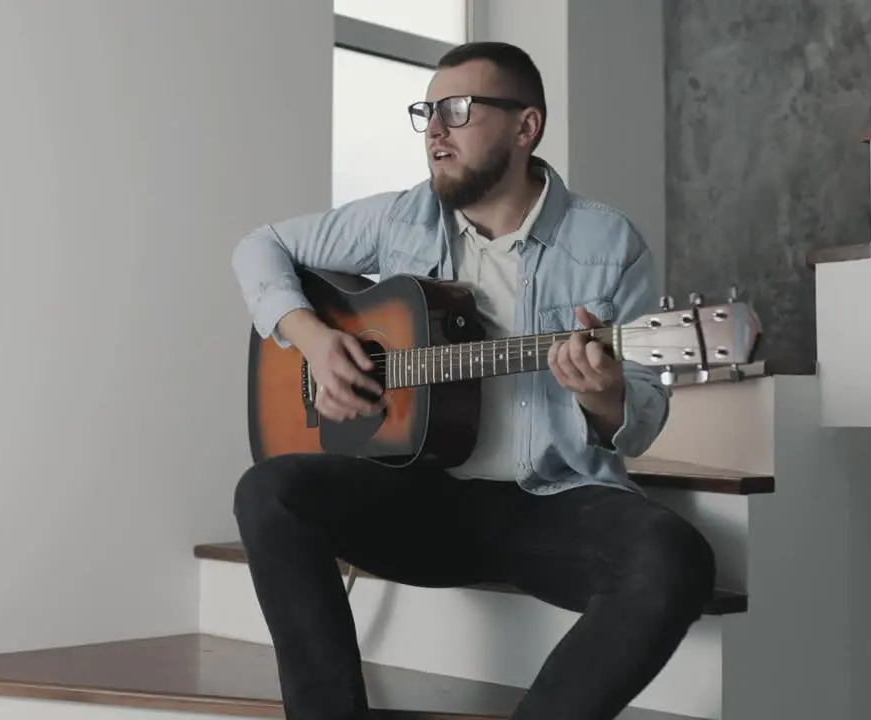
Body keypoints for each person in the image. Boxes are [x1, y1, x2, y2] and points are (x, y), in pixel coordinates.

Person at [229, 41, 715, 720]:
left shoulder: (608, 244)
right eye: (427, 111)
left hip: (553, 500)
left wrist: (604, 396)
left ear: (526, 127)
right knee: (270, 491)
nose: (435, 128)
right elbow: (260, 247)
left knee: (674, 556)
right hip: (419, 499)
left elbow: (642, 410)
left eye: (457, 110)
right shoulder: (400, 217)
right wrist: (314, 342)